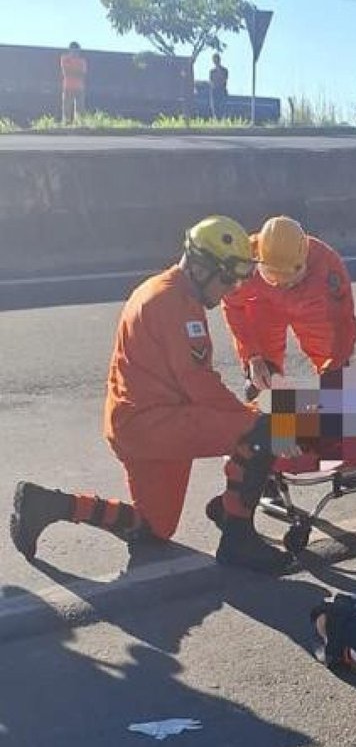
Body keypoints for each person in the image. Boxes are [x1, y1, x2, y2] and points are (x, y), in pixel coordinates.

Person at [9, 218, 291, 574]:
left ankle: (49, 505)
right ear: (202, 268)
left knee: (154, 528)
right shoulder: (175, 306)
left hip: (135, 423)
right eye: (228, 279)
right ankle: (237, 536)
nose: (232, 289)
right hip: (157, 423)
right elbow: (200, 385)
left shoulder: (160, 289)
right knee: (266, 429)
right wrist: (255, 418)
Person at [222, 216, 356, 394]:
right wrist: (252, 357)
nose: (281, 285)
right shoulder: (243, 262)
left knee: (336, 368)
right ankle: (265, 399)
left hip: (312, 308)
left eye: (288, 280)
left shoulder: (327, 266)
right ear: (258, 260)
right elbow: (233, 308)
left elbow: (343, 322)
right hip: (265, 306)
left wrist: (336, 367)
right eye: (273, 277)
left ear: (305, 258)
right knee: (262, 377)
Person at [60, 42, 87, 126]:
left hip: (79, 87)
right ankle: (66, 124)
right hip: (68, 87)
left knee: (80, 109)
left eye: (77, 51)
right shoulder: (64, 58)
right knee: (66, 109)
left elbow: (83, 73)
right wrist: (76, 71)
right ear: (70, 50)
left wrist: (72, 70)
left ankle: (79, 125)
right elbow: (65, 71)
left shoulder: (82, 61)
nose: (76, 52)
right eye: (74, 50)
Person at [208, 51, 230, 121]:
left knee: (222, 107)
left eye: (216, 59)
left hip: (222, 90)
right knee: (215, 107)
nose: (215, 61)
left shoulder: (224, 70)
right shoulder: (212, 71)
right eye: (214, 60)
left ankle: (222, 120)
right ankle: (216, 120)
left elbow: (224, 79)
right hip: (214, 91)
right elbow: (211, 81)